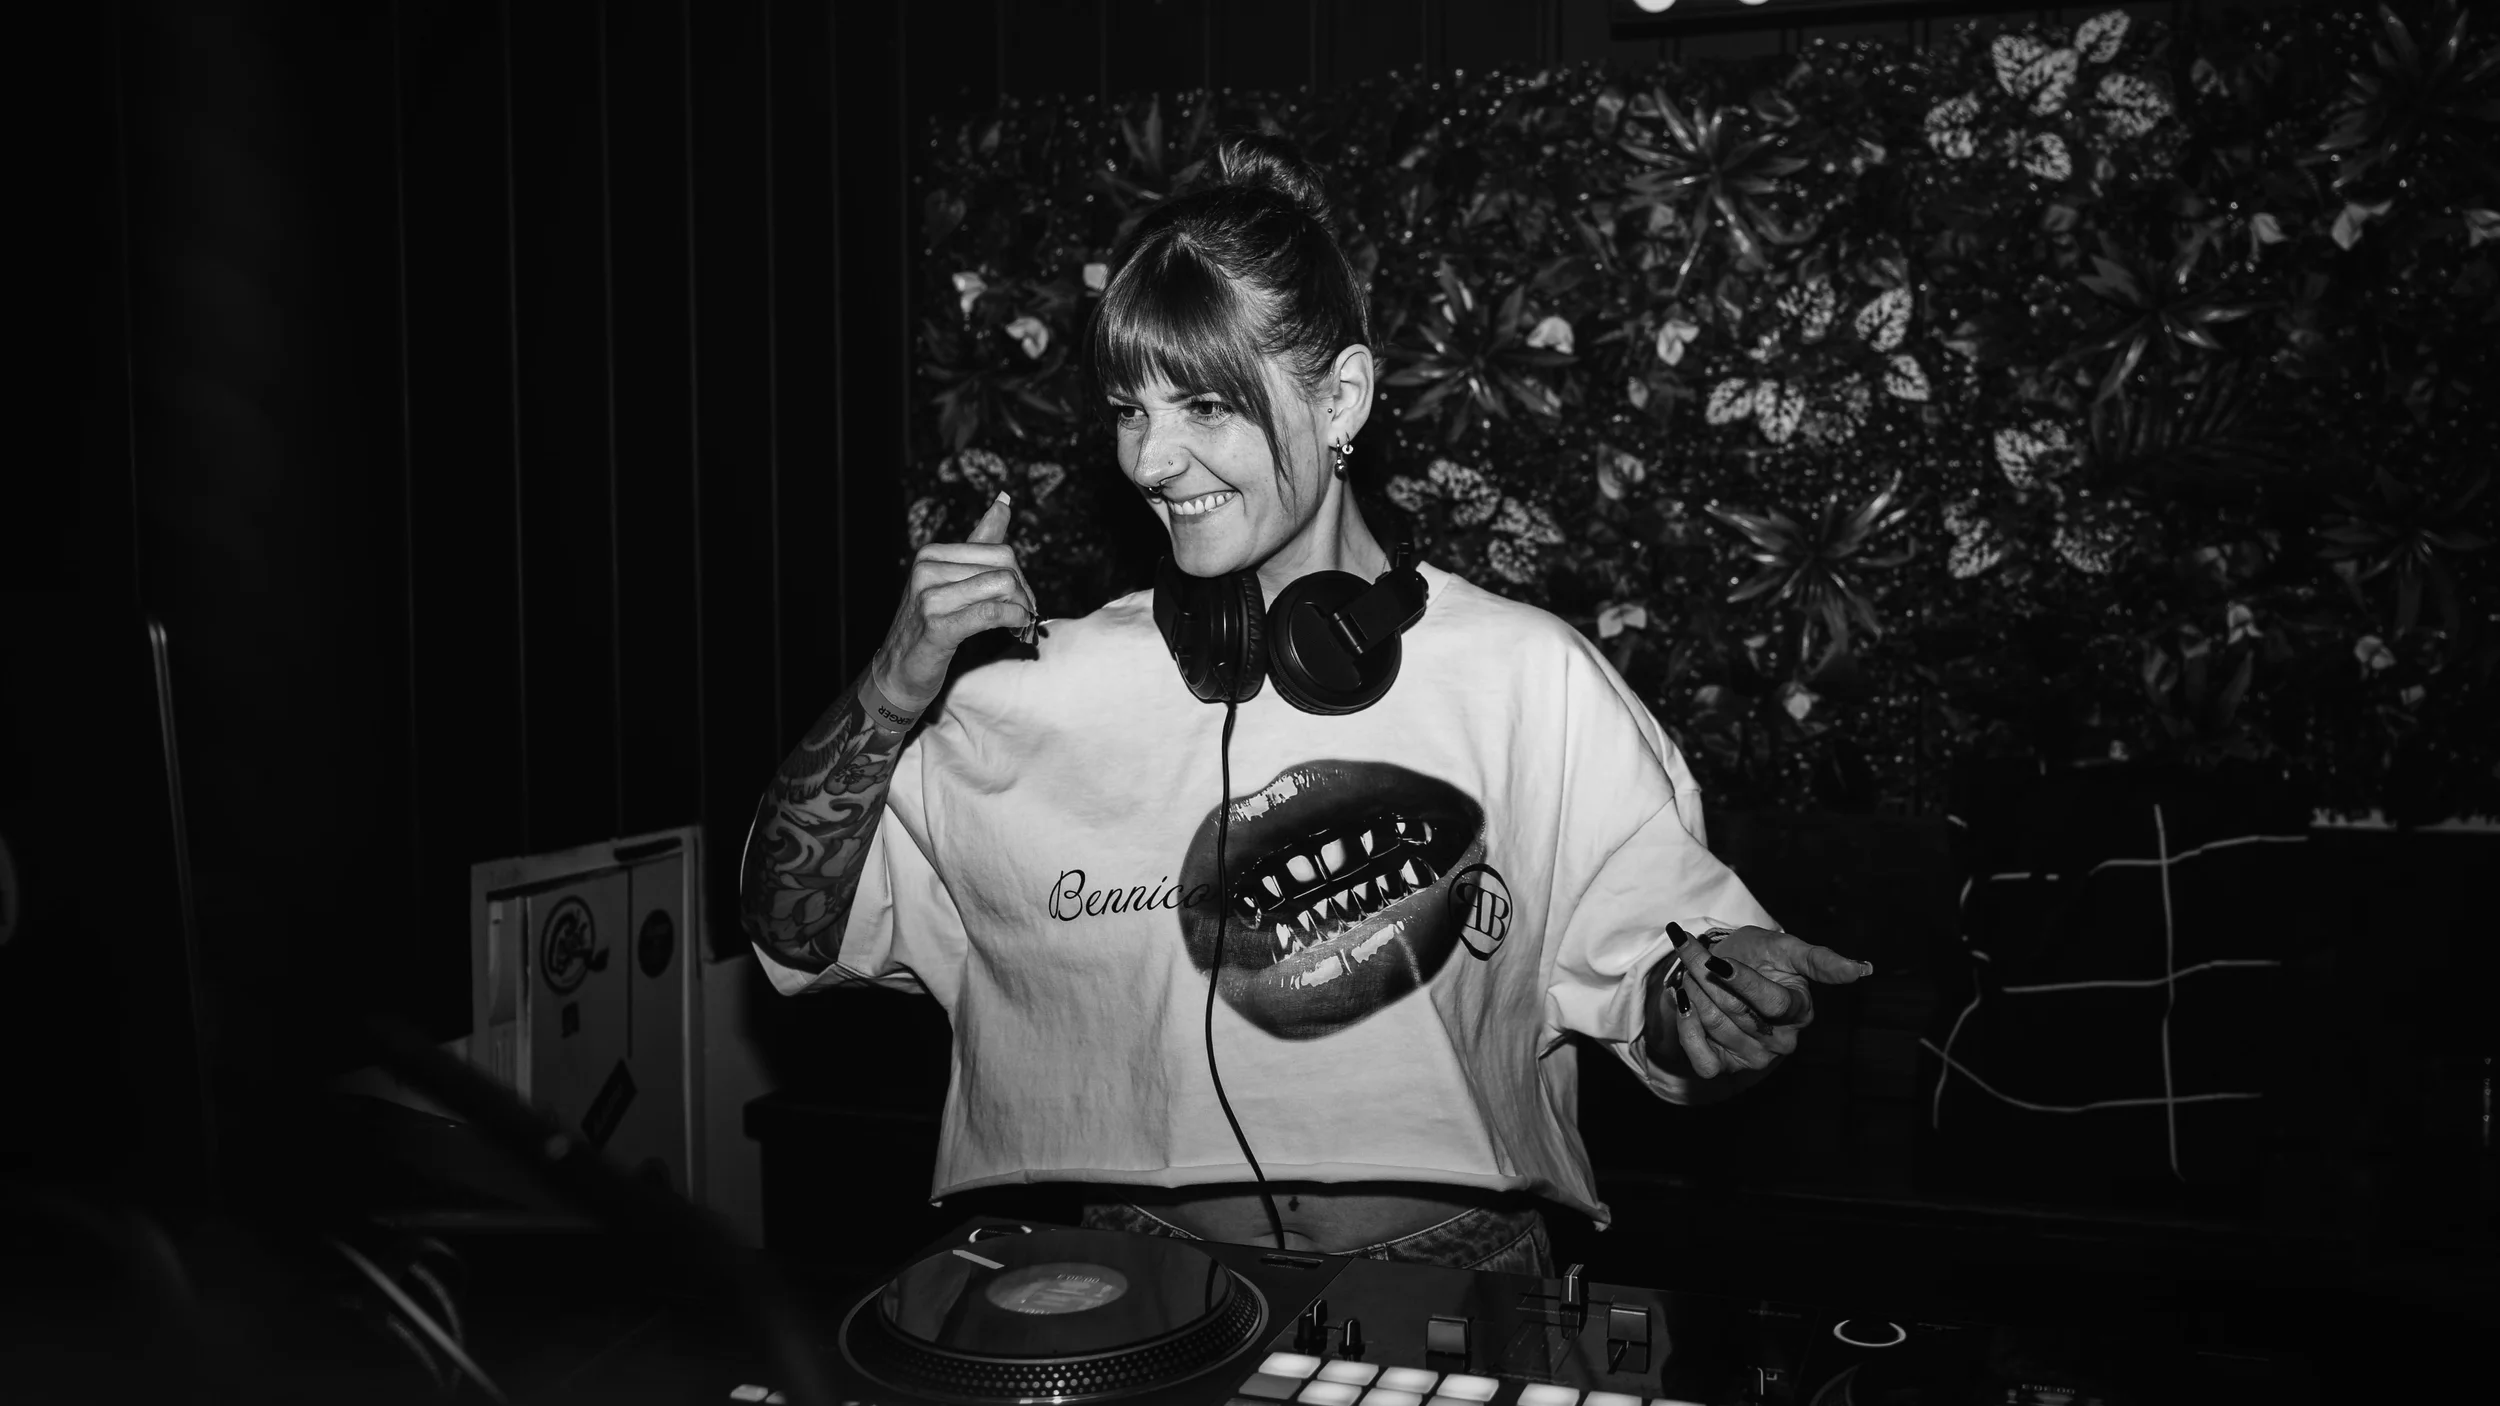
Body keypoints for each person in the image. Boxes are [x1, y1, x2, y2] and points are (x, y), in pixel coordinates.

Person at [739, 133, 1871, 1275]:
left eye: (1205, 405)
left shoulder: (1530, 678)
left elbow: (1660, 978)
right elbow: (790, 929)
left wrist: (1712, 993)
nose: (1152, 460)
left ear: (1342, 398)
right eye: (1130, 409)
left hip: (1456, 1278)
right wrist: (893, 684)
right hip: (1137, 1286)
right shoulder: (1034, 688)